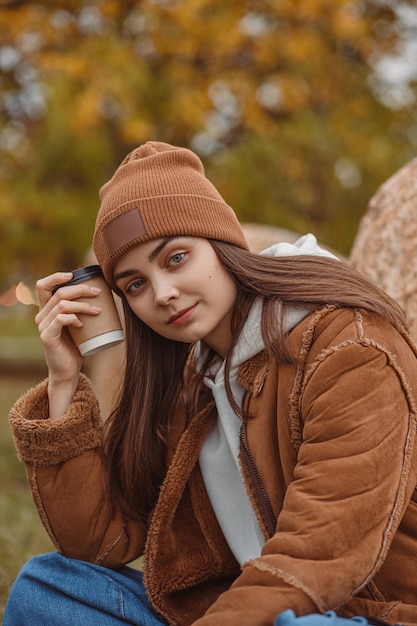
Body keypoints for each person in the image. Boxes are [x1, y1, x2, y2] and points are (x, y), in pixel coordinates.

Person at [4, 141, 417, 626]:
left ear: (222, 245)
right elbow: (100, 542)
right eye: (135, 284)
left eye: (176, 258)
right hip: (237, 613)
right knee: (48, 587)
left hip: (352, 615)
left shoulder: (348, 345)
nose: (163, 293)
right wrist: (63, 381)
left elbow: (319, 554)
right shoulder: (194, 381)